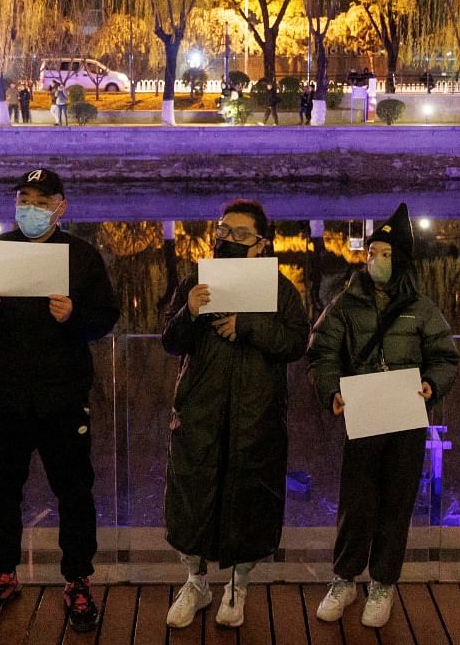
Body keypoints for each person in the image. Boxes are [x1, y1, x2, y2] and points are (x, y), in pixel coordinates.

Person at [0, 168, 118, 633]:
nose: (30, 208)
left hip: (63, 396)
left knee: (74, 491)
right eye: (24, 199)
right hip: (3, 396)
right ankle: (2, 574)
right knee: (1, 488)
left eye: (41, 201)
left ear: (61, 206)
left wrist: (74, 315)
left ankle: (78, 580)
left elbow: (105, 318)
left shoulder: (82, 256)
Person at [307, 204, 460, 628]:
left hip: (406, 418)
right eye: (372, 252)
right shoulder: (346, 303)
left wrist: (432, 384)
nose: (376, 259)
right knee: (356, 501)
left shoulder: (422, 308)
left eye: (386, 253)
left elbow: (446, 356)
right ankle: (344, 578)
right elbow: (320, 351)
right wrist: (331, 390)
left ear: (402, 261)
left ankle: (384, 582)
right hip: (363, 415)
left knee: (397, 501)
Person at [161, 199, 310, 630]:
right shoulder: (196, 281)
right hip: (200, 416)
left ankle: (238, 586)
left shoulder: (281, 290)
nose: (227, 238)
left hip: (256, 418)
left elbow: (296, 343)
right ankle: (195, 582)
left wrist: (249, 326)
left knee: (249, 501)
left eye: (240, 234)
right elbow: (171, 342)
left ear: (261, 244)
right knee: (192, 498)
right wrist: (189, 311)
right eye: (223, 231)